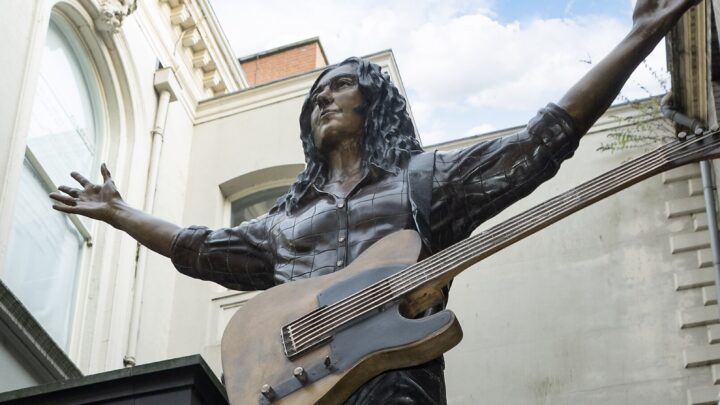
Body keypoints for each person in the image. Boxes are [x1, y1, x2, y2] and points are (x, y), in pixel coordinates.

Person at [49, 1, 701, 403]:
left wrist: (638, 35)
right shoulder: (283, 224)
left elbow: (540, 142)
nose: (322, 99)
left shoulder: (424, 183)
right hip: (298, 388)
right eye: (316, 96)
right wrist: (119, 211)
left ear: (376, 105)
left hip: (397, 385)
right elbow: (198, 247)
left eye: (339, 87)